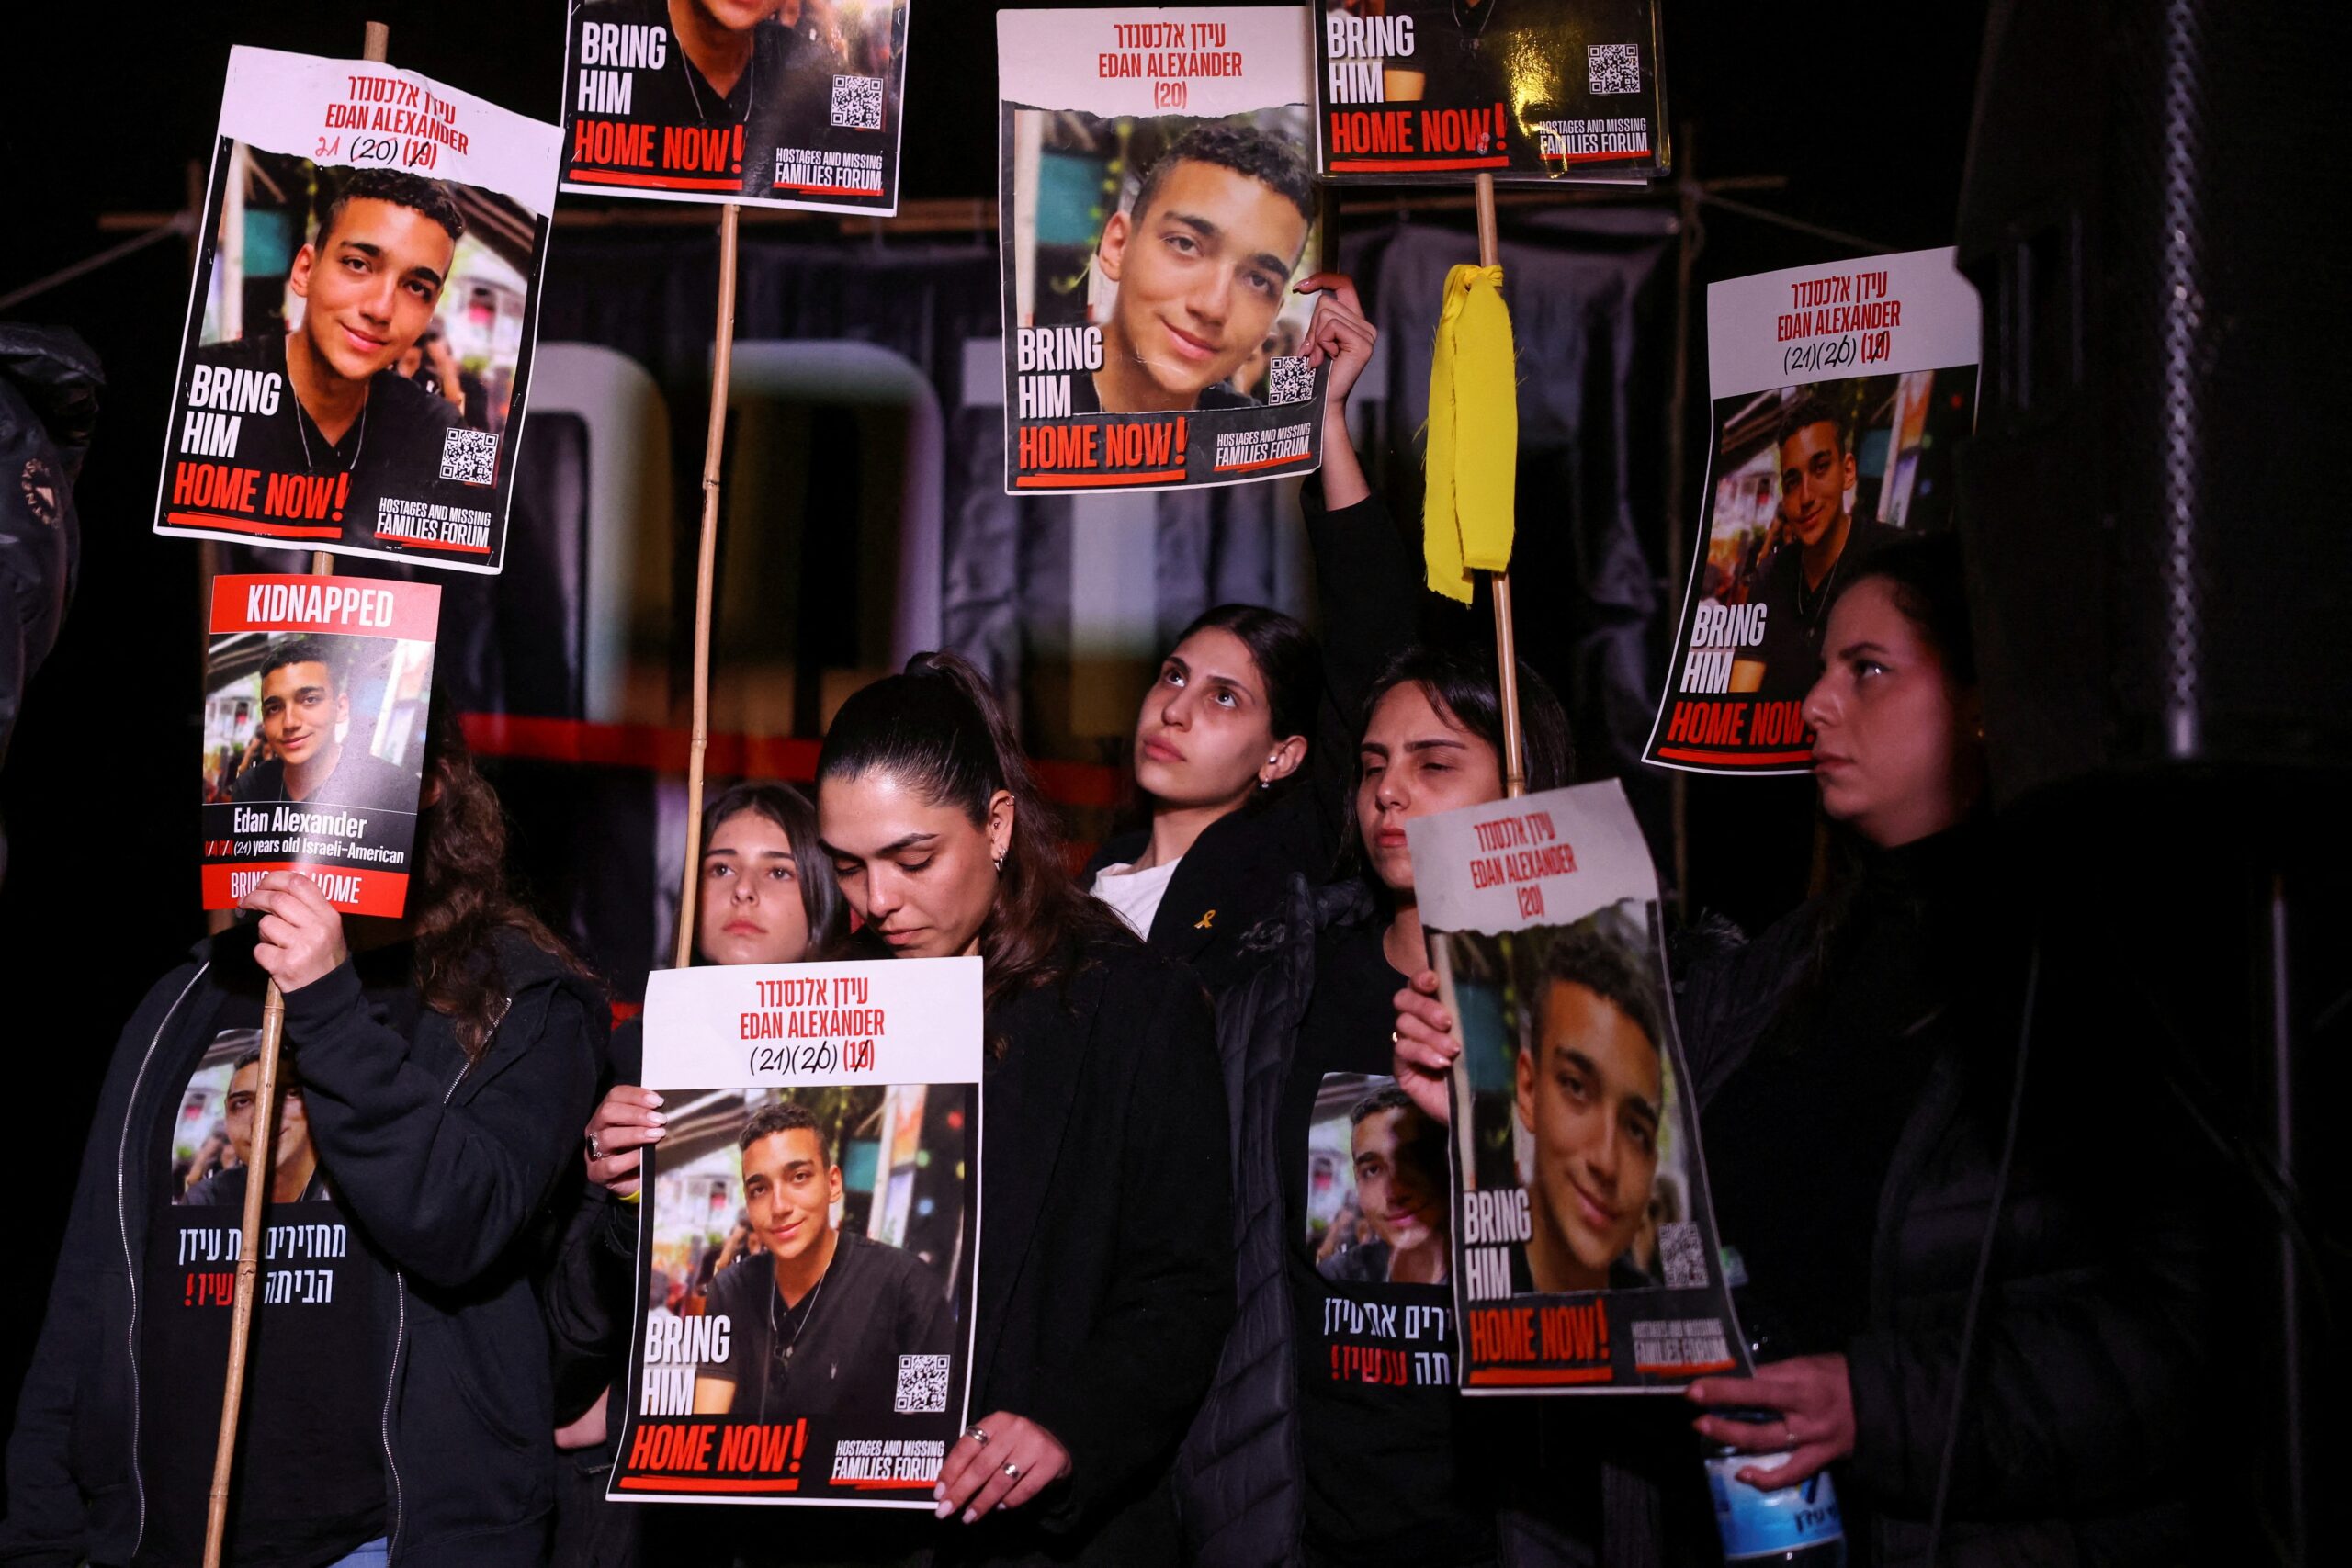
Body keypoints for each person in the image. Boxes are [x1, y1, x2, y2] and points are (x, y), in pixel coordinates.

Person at [3, 703, 602, 1568]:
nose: (305, 758)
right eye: (276, 713)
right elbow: (90, 1289)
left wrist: (328, 1002)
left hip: (381, 1544)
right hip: (167, 1543)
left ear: (431, 783)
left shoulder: (519, 999)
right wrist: (40, 1535)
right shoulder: (184, 999)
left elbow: (460, 1219)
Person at [816, 652, 1231, 1563]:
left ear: (996, 823)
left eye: (912, 859)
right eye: (847, 866)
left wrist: (1068, 1424)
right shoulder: (830, 998)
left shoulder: (1131, 1006)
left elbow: (1183, 1288)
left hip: (1044, 1540)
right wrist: (636, 1179)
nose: (878, 900)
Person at [1176, 645, 1573, 1568]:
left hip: (1507, 1525)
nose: (1389, 791)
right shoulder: (1280, 995)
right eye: (1372, 766)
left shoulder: (1589, 1001)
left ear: (1520, 787)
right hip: (1306, 1525)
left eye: (1434, 764)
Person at [541, 779, 851, 1568]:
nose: (743, 888)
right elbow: (563, 1357)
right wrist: (620, 1203)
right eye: (720, 866)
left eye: (778, 869)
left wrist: (626, 1407)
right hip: (647, 1522)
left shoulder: (880, 1060)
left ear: (824, 898)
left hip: (820, 1512)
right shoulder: (631, 1059)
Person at [1083, 271, 1421, 992]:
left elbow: (1378, 642)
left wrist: (1325, 418)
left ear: (1283, 755)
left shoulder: (1273, 872)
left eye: (1224, 697)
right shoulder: (1080, 885)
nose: (1174, 709)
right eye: (1174, 675)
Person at [188, 167, 463, 545]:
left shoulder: (438, 426)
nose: (380, 309)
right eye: (358, 264)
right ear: (305, 270)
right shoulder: (202, 382)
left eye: (416, 287)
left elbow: (479, 558)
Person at [692, 1102, 956, 1418]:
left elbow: (929, 1425)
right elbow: (705, 1424)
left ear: (833, 1184)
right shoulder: (731, 1290)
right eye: (760, 1189)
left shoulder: (909, 1286)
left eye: (799, 1177)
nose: (779, 1206)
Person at [1080, 121, 1316, 414]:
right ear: (1118, 246)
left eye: (1258, 280)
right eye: (1185, 244)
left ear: (1274, 316)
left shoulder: (1253, 428)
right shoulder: (1030, 391)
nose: (1212, 307)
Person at [1511, 931, 1664, 1294]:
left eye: (1636, 1130)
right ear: (1529, 1090)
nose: (1606, 1163)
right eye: (1576, 1087)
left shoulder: (1655, 1306)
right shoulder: (1459, 1283)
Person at [1736, 390, 1902, 701]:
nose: (1806, 496)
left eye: (1821, 467)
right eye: (1792, 482)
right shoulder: (1770, 577)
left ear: (1847, 471)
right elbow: (1738, 700)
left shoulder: (1893, 558)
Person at [228, 636, 414, 810]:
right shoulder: (250, 788)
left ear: (340, 708)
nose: (290, 723)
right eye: (275, 708)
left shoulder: (394, 791)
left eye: (309, 700)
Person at [1319, 1084, 1450, 1287]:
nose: (1395, 1192)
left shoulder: (1490, 1277)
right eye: (1372, 1170)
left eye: (1413, 1160)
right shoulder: (1339, 1276)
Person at [180, 1047, 329, 1207]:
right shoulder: (209, 1200)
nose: (263, 1117)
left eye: (287, 1094)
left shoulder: (342, 1191)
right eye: (242, 1102)